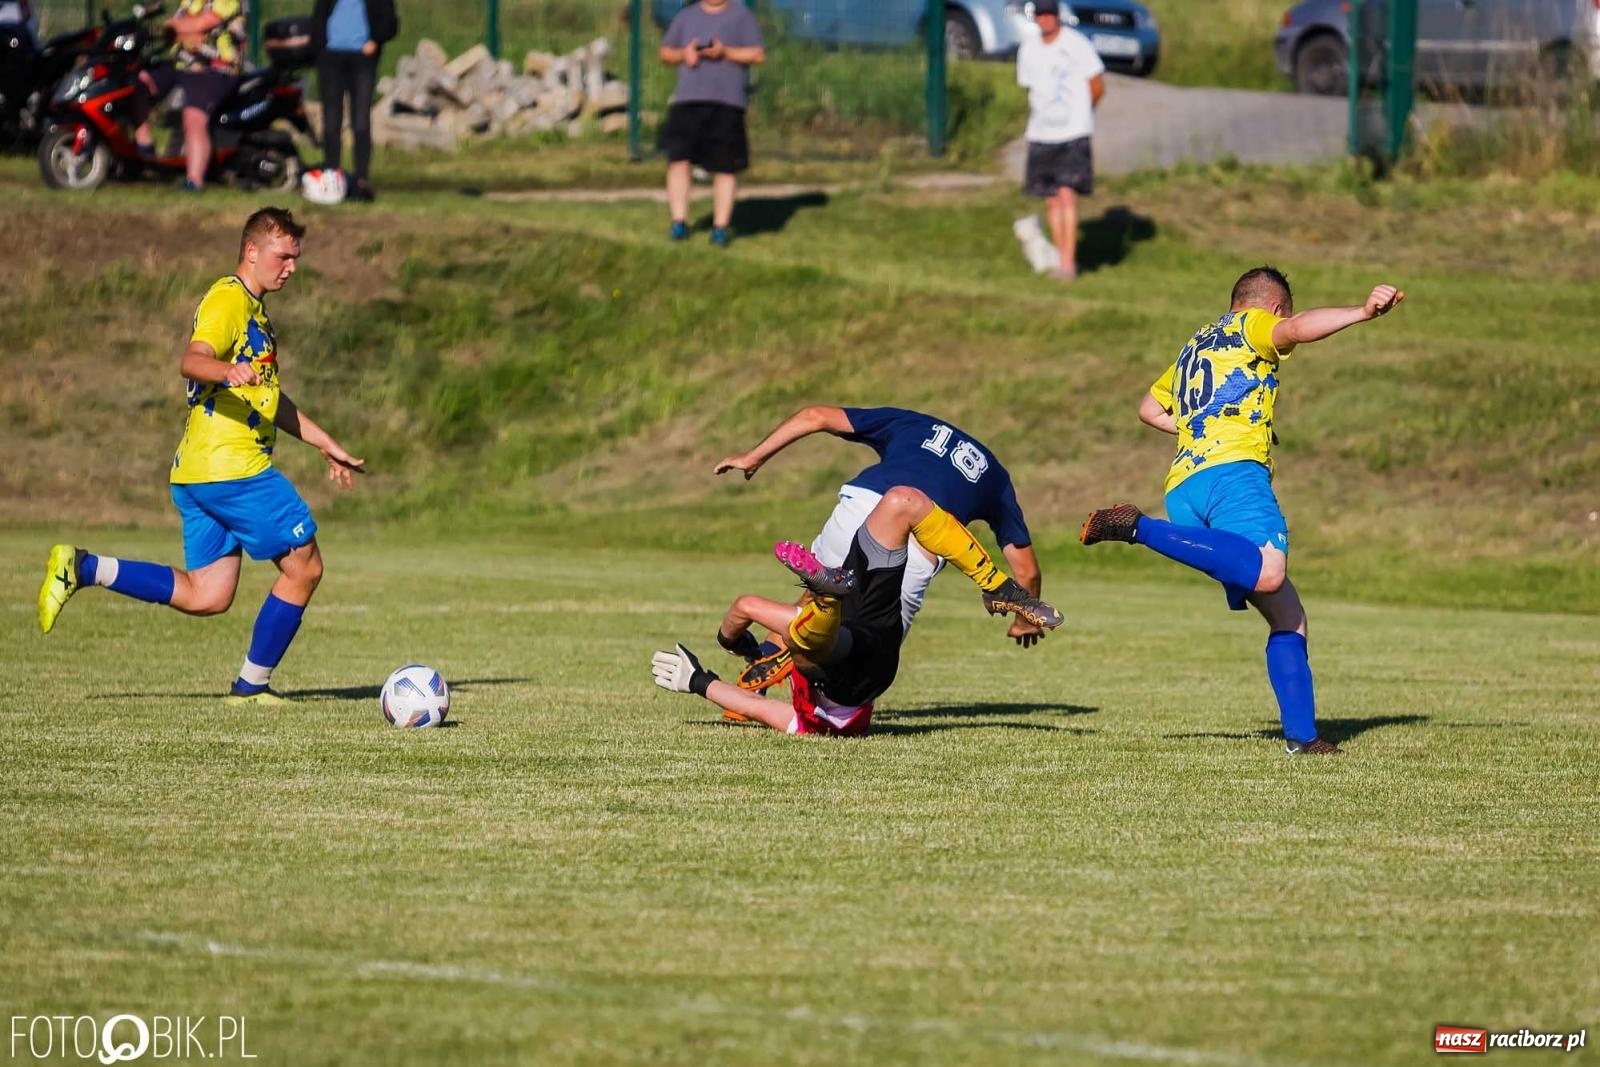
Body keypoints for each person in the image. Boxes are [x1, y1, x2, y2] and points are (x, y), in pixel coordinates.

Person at [36, 208, 366, 704]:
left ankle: (83, 568)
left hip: (198, 471)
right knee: (305, 568)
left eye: (296, 257)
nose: (292, 267)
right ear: (251, 252)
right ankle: (251, 688)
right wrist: (225, 368)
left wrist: (324, 442)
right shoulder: (227, 299)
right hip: (235, 469)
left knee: (207, 595)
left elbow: (269, 402)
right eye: (284, 256)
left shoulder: (256, 313)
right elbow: (191, 360)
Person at [1079, 267, 1404, 755]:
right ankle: (1138, 527)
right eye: (1282, 317)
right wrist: (1361, 313)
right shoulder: (1253, 325)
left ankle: (1303, 737)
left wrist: (1204, 430)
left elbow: (1150, 408)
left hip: (1185, 485)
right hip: (1232, 477)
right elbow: (1295, 331)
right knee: (1270, 572)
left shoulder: (1197, 345)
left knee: (1289, 617)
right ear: (1272, 307)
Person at [650, 487, 1063, 736]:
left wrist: (704, 676)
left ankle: (998, 588)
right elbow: (744, 607)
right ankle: (827, 596)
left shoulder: (809, 716)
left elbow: (760, 707)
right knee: (807, 642)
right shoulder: (818, 721)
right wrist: (726, 646)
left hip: (875, 630)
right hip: (851, 677)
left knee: (903, 501)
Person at [714, 405, 1044, 647]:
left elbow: (815, 415)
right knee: (869, 649)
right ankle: (818, 702)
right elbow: (1026, 572)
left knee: (816, 604)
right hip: (919, 543)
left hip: (862, 505)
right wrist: (1023, 621)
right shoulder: (996, 479)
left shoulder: (913, 424)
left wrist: (753, 457)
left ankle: (755, 679)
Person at [658, 0, 764, 247]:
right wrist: (684, 54)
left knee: (725, 166)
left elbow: (757, 54)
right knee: (678, 160)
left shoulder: (741, 15)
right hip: (687, 100)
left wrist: (725, 53)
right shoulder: (686, 16)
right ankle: (679, 222)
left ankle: (720, 228)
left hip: (727, 103)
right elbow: (665, 53)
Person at [1016, 0, 1104, 282]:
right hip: (1042, 132)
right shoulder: (1028, 49)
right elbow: (1030, 89)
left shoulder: (1076, 44)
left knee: (1067, 195)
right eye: (1039, 14)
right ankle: (1059, 257)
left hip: (1072, 132)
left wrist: (1081, 115)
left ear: (1057, 15)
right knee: (1051, 198)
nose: (1044, 19)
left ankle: (1068, 263)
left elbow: (1097, 84)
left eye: (1049, 13)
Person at [132, 0, 246, 191]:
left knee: (194, 118)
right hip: (181, 64)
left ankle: (194, 181)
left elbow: (202, 24)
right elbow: (176, 30)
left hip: (217, 68)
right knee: (138, 83)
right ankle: (144, 149)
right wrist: (183, 30)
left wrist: (179, 27)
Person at [310, 0, 398, 203]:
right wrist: (321, 47)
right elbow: (318, 17)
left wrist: (375, 40)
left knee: (360, 121)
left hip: (362, 59)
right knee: (331, 121)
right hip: (331, 57)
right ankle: (332, 174)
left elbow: (389, 21)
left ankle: (361, 178)